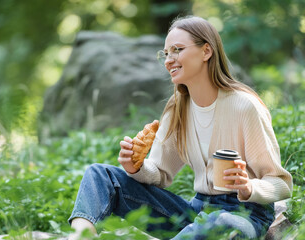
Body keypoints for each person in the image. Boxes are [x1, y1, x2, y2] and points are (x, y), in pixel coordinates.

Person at [67, 15, 293, 239]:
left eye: (177, 50)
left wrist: (248, 187)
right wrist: (135, 166)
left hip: (245, 214)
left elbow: (280, 183)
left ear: (206, 51)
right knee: (100, 174)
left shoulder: (245, 106)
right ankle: (79, 236)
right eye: (165, 54)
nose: (168, 60)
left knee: (220, 222)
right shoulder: (178, 108)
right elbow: (160, 173)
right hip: (197, 212)